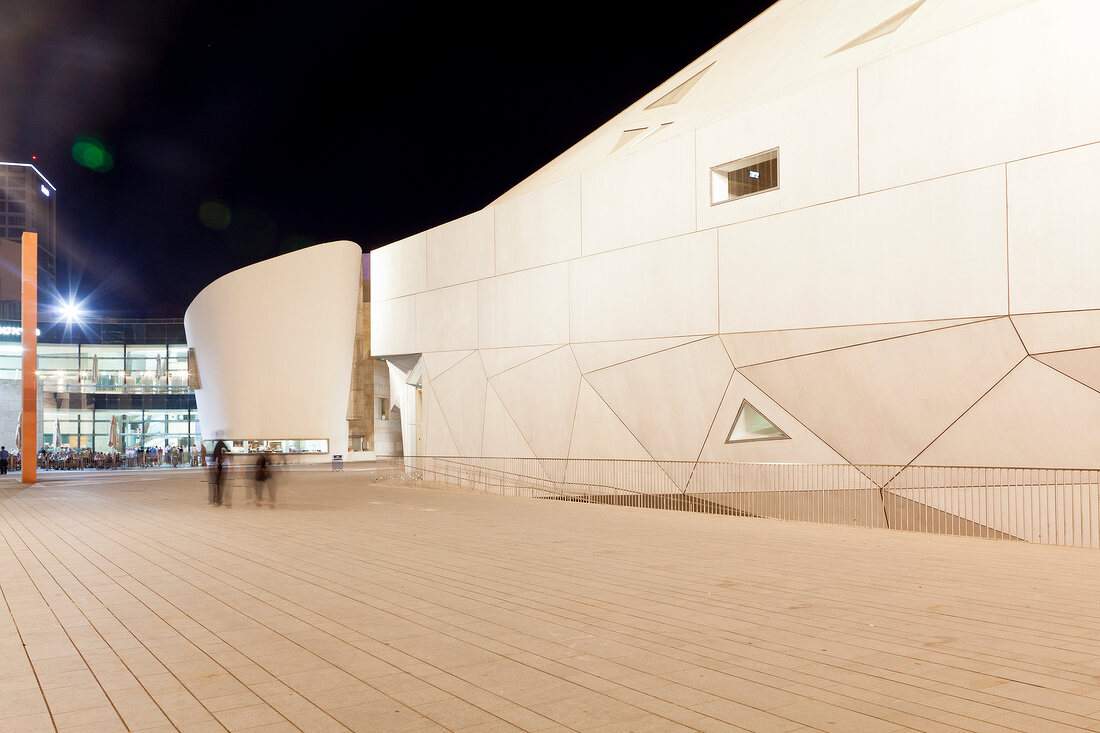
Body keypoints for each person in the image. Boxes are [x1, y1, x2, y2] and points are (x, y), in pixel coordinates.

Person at [212, 439, 230, 506]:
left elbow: (214, 458)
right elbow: (227, 451)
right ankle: (219, 499)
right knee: (220, 484)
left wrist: (215, 467)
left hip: (219, 467)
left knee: (218, 484)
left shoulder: (218, 445)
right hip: (221, 467)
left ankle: (218, 499)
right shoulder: (222, 445)